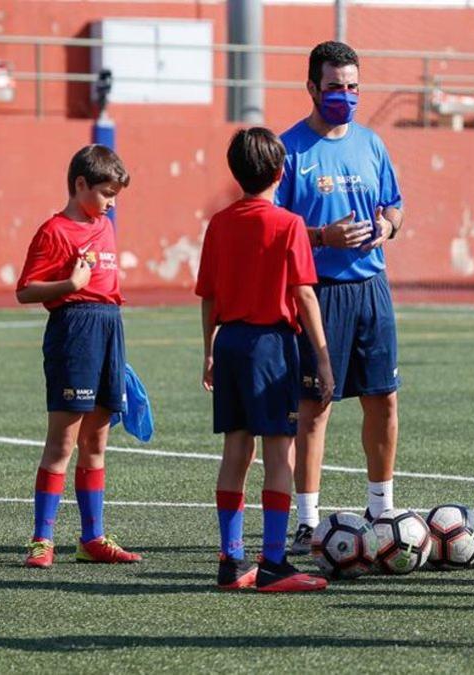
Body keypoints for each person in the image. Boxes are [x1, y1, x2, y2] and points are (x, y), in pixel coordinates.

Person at [274, 41, 404, 553]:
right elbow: (275, 230)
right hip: (318, 293)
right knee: (316, 405)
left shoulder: (372, 145)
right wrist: (321, 237)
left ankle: (381, 506)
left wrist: (386, 229)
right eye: (334, 88)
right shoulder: (289, 151)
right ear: (311, 88)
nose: (345, 96)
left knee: (384, 399)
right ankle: (307, 518)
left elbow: (394, 207)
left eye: (352, 88)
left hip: (372, 287)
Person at [196, 127, 334, 592]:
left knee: (236, 448)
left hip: (231, 342)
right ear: (281, 172)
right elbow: (304, 294)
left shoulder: (218, 223)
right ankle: (274, 563)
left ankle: (232, 561)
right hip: (272, 347)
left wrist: (209, 349)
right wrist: (323, 356)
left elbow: (208, 297)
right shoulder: (289, 224)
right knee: (280, 451)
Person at [17, 145, 138, 569]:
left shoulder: (103, 224)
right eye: (106, 193)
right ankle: (41, 539)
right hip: (74, 330)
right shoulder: (53, 230)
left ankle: (92, 538)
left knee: (97, 440)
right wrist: (69, 284)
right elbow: (25, 290)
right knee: (62, 441)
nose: (111, 203)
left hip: (109, 327)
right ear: (80, 184)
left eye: (116, 195)